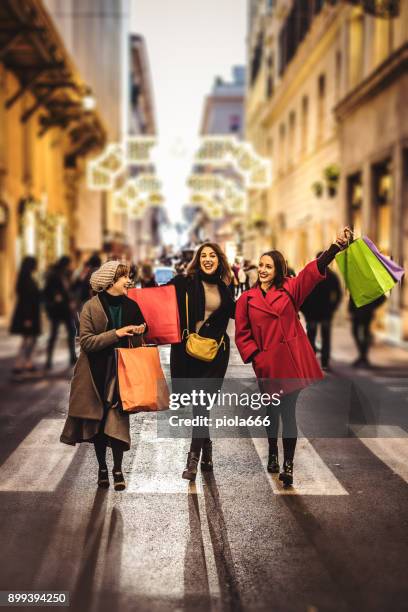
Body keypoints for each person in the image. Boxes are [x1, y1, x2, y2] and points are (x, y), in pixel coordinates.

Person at [235, 228, 351, 486]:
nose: (263, 270)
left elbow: (312, 271)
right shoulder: (246, 299)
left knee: (288, 413)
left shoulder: (290, 289)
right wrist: (258, 358)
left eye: (269, 266)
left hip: (290, 363)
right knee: (272, 413)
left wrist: (335, 247)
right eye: (261, 266)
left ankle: (288, 463)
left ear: (278, 269)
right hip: (267, 366)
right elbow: (242, 334)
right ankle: (273, 453)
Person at [60, 260, 147, 491]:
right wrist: (116, 333)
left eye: (129, 276)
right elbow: (86, 342)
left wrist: (139, 332)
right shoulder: (90, 307)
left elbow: (139, 344)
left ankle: (118, 469)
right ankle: (102, 468)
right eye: (123, 277)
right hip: (95, 374)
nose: (129, 280)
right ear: (110, 281)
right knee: (98, 424)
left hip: (122, 373)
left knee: (117, 422)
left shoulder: (132, 307)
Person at [169, 243, 235, 481]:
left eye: (213, 255)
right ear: (198, 260)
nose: (208, 259)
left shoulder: (225, 286)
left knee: (201, 405)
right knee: (199, 406)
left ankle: (193, 460)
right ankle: (206, 449)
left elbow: (237, 312)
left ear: (219, 260)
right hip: (188, 354)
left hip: (215, 355)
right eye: (204, 255)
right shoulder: (183, 282)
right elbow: (160, 301)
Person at [300, 252, 342, 370]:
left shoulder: (310, 275)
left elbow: (303, 293)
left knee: (311, 337)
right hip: (325, 313)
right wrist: (332, 308)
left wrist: (304, 310)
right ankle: (324, 361)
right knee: (325, 337)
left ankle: (311, 360)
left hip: (312, 313)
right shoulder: (332, 275)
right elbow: (338, 294)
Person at [9, 256, 41, 378]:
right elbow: (27, 300)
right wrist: (28, 318)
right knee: (28, 339)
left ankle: (24, 363)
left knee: (28, 339)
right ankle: (21, 363)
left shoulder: (25, 278)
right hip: (29, 315)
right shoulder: (27, 280)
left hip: (28, 314)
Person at [43, 256, 77, 370]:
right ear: (65, 264)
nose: (71, 266)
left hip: (66, 309)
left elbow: (69, 289)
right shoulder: (54, 275)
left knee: (71, 332)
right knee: (54, 335)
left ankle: (72, 357)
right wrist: (56, 297)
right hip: (57, 310)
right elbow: (47, 291)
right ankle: (48, 360)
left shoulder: (66, 274)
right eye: (70, 263)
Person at [349, 295, 385, 368]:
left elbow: (382, 297)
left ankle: (363, 356)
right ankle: (363, 356)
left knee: (365, 333)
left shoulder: (370, 286)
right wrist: (350, 309)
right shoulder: (356, 285)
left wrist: (372, 306)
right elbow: (352, 298)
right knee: (355, 332)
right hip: (357, 312)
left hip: (366, 312)